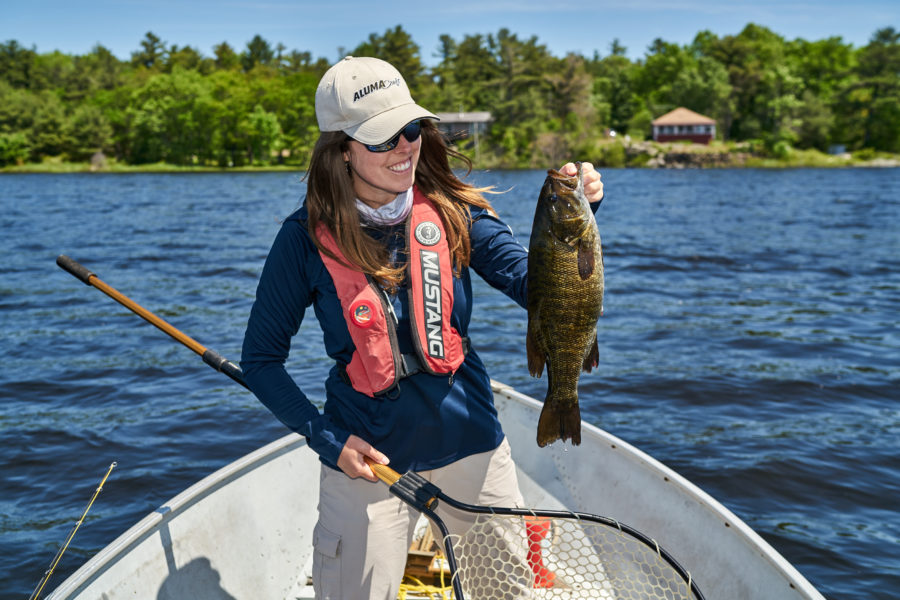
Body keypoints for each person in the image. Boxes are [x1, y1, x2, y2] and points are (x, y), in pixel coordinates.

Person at [240, 56, 604, 600]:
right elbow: (261, 361)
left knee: (504, 593)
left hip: (472, 440)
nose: (405, 146)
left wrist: (584, 213)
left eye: (412, 128)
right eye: (384, 137)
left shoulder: (456, 212)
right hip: (366, 456)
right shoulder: (301, 240)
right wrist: (327, 440)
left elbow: (540, 290)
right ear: (342, 149)